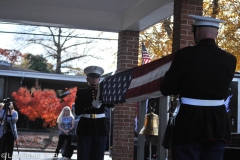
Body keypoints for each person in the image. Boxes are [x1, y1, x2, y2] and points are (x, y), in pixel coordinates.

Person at [160, 14, 237, 160]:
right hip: (218, 123)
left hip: (189, 121)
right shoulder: (230, 59)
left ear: (198, 31)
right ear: (216, 33)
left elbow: (167, 89)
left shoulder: (184, 55)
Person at [75, 65, 114, 160]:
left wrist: (106, 97)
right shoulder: (81, 92)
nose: (94, 80)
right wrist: (91, 106)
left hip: (100, 127)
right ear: (87, 79)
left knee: (98, 156)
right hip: (85, 127)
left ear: (99, 79)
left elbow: (112, 105)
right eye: (92, 77)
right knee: (83, 155)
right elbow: (77, 111)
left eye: (96, 78)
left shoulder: (104, 92)